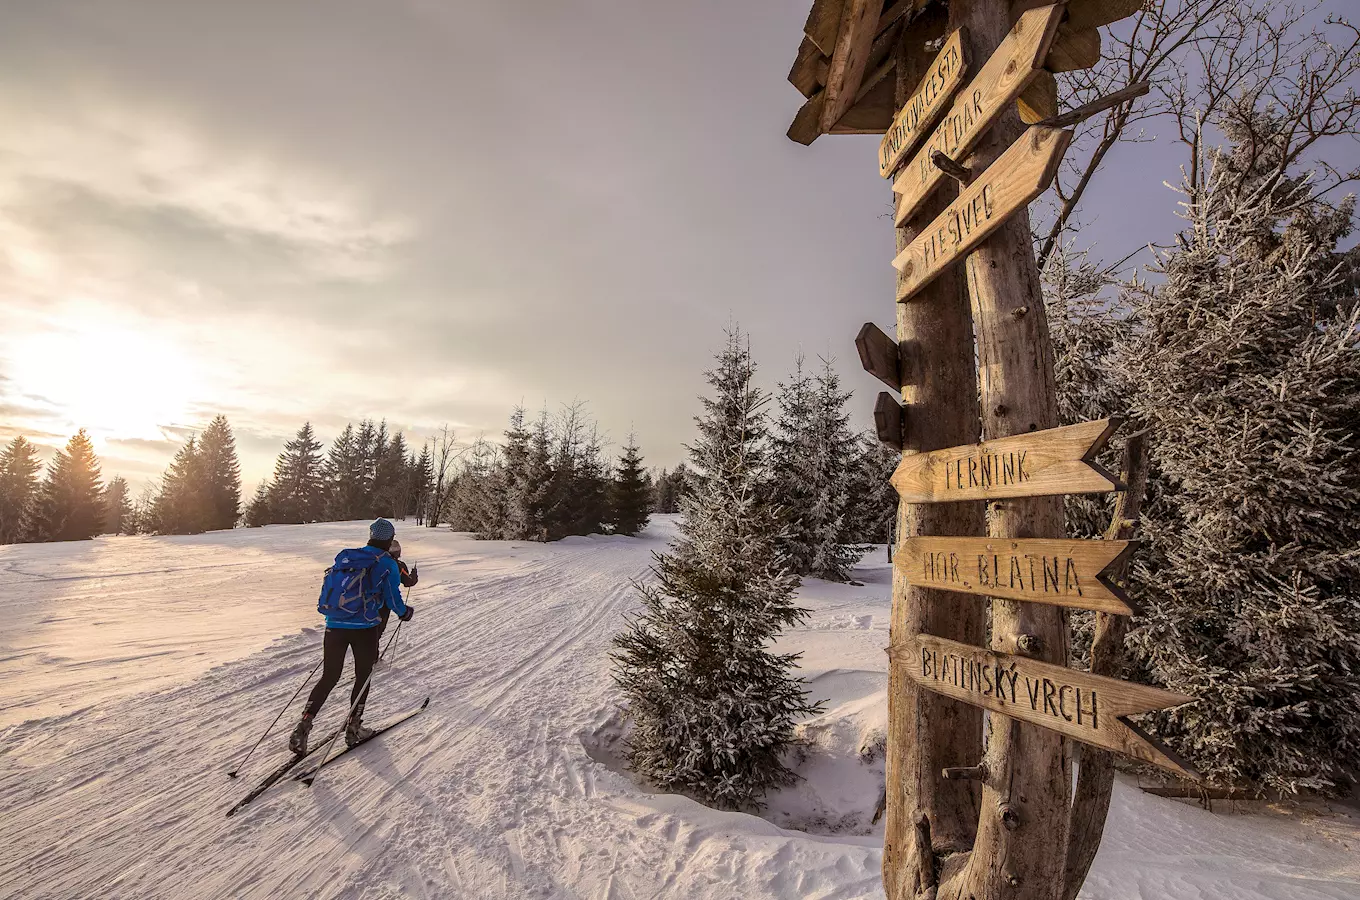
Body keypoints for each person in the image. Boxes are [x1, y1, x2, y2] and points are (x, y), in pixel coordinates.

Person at [288, 518, 414, 754]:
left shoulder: (348, 556)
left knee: (329, 676)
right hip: (364, 628)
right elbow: (392, 597)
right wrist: (404, 612)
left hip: (334, 625)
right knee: (363, 676)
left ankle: (303, 725)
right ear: (389, 539)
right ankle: (354, 727)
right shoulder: (386, 562)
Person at [377, 539, 418, 642]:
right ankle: (372, 656)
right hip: (383, 603)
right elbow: (409, 582)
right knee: (377, 631)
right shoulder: (398, 565)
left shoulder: (374, 559)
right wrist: (414, 574)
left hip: (363, 601)